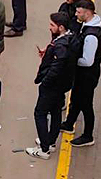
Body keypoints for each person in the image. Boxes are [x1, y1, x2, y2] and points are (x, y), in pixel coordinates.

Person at [26, 12, 76, 160]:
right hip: (62, 85)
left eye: (52, 25)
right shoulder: (70, 39)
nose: (49, 28)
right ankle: (51, 142)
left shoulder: (60, 46)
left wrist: (45, 82)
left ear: (61, 27)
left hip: (52, 86)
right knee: (55, 112)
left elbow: (56, 67)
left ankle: (44, 149)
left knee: (39, 113)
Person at [60, 0, 101, 147]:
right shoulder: (90, 26)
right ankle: (69, 124)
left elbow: (87, 61)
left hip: (87, 76)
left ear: (88, 12)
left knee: (85, 104)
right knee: (76, 99)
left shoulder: (91, 36)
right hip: (84, 75)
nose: (76, 14)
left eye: (79, 12)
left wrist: (71, 60)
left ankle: (88, 135)